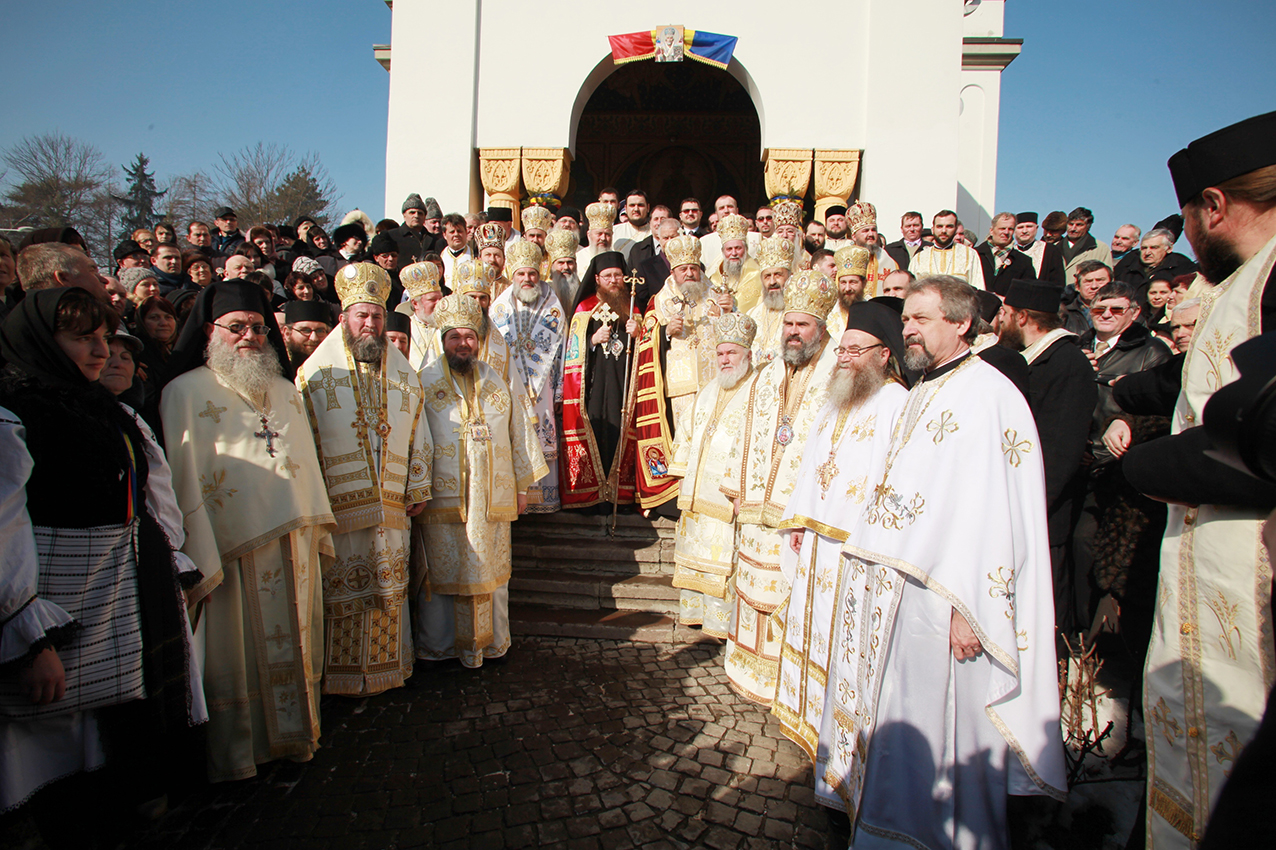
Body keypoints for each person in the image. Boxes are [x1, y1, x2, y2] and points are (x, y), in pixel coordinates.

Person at [821, 274, 1066, 847]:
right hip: (903, 590)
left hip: (949, 598)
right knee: (900, 721)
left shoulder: (989, 394)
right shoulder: (928, 385)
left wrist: (973, 607)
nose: (908, 328)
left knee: (944, 729)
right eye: (905, 319)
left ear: (961, 323)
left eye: (920, 319)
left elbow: (996, 510)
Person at [1120, 110, 1276, 848]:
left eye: (1187, 221)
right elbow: (1196, 377)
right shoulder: (1248, 282)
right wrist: (1121, 397)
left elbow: (1258, 436)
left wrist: (1145, 466)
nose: (1186, 240)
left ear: (1214, 206)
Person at [0, 288, 202, 843]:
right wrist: (27, 633)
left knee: (117, 740)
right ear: (40, 340)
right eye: (81, 339)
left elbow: (153, 500)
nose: (97, 352)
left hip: (123, 593)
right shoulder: (13, 417)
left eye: (103, 339)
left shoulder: (109, 411)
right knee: (54, 755)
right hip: (54, 602)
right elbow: (5, 529)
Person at [160, 280, 335, 781]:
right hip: (229, 550)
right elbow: (181, 480)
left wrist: (315, 523)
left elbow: (306, 463)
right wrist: (195, 558)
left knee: (297, 644)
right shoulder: (183, 393)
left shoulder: (284, 389)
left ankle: (297, 739)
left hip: (294, 544)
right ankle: (239, 755)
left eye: (258, 328)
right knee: (235, 652)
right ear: (211, 331)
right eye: (236, 327)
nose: (249, 337)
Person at [770, 302, 910, 819]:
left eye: (856, 350)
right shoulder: (835, 397)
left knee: (841, 641)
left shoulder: (896, 401)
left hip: (855, 547)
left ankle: (840, 742)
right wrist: (798, 520)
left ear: (883, 354)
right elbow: (812, 462)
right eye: (843, 349)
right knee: (810, 630)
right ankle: (808, 723)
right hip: (817, 540)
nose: (846, 358)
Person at [293, 264, 431, 695]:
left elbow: (419, 435)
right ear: (344, 320)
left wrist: (418, 485)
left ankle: (390, 669)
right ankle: (340, 678)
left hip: (392, 508)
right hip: (339, 509)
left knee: (390, 586)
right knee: (344, 592)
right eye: (361, 316)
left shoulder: (405, 377)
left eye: (375, 316)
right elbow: (303, 444)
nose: (369, 324)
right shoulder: (314, 376)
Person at [721, 268, 839, 705]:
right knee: (750, 588)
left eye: (801, 325)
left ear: (820, 329)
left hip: (797, 517)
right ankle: (747, 671)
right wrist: (734, 489)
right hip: (755, 512)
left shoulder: (836, 376)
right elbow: (743, 432)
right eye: (788, 323)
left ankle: (787, 685)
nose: (792, 332)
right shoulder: (769, 374)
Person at [413, 294, 546, 667]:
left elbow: (519, 434)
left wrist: (522, 487)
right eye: (454, 337)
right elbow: (415, 439)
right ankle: (440, 647)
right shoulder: (423, 383)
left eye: (469, 336)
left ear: (479, 340)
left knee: (490, 571)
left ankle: (490, 642)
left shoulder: (496, 382)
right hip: (442, 500)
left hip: (491, 499)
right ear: (442, 341)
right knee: (441, 573)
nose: (462, 344)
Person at [997, 279, 1097, 632]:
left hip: (1042, 514)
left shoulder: (1067, 364)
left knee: (1046, 613)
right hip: (1017, 509)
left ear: (1022, 317)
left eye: (1005, 315)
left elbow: (1059, 454)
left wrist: (1028, 509)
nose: (1000, 322)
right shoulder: (1033, 360)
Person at [668, 313, 758, 637]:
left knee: (723, 566)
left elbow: (755, 444)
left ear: (747, 354)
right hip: (695, 495)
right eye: (720, 353)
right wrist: (681, 476)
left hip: (725, 497)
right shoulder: (707, 390)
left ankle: (722, 625)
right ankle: (697, 616)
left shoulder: (757, 393)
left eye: (731, 353)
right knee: (695, 558)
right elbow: (687, 434)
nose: (725, 359)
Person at [559, 252, 645, 509]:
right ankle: (593, 496)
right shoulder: (584, 309)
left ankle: (620, 495)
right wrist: (592, 340)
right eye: (607, 276)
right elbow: (573, 353)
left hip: (623, 386)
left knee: (621, 431)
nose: (613, 280)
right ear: (597, 278)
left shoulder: (632, 308)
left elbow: (647, 350)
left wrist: (638, 334)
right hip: (594, 388)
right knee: (598, 431)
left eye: (618, 275)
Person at [490, 241, 565, 513]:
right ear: (513, 275)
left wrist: (559, 390)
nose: (527, 279)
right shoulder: (499, 307)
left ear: (539, 274)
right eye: (522, 274)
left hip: (543, 386)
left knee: (542, 431)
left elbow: (561, 351)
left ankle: (543, 498)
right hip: (511, 384)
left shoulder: (553, 304)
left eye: (532, 274)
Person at [650, 234, 734, 430]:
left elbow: (731, 332)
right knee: (684, 432)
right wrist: (666, 331)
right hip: (681, 380)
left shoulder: (715, 295)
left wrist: (729, 312)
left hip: (713, 376)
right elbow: (649, 340)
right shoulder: (662, 299)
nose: (689, 273)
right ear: (673, 272)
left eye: (693, 268)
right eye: (683, 269)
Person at [746, 235, 797, 366]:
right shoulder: (752, 314)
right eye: (767, 276)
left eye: (778, 275)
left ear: (789, 276)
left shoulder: (797, 313)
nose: (772, 282)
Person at [910, 210, 986, 289]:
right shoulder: (919, 258)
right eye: (939, 226)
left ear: (955, 229)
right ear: (933, 229)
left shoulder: (969, 254)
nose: (944, 231)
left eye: (949, 226)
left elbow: (978, 288)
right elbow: (910, 290)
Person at [842, 202, 899, 298]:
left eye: (873, 230)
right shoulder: (845, 257)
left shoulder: (888, 261)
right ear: (854, 236)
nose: (870, 234)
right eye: (865, 231)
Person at [707, 214, 762, 313]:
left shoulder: (757, 274)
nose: (734, 253)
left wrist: (732, 308)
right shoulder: (714, 277)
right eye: (729, 249)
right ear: (723, 252)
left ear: (746, 249)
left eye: (738, 248)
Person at [976, 212, 1036, 295]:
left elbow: (1028, 292)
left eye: (1010, 229)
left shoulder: (1023, 261)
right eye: (1002, 228)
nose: (1006, 232)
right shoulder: (975, 254)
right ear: (992, 231)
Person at [1011, 211, 1068, 286]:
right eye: (1020, 227)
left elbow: (1058, 283)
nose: (1024, 231)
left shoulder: (1050, 251)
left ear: (1036, 228)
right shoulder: (1009, 252)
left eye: (1029, 226)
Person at [1059, 206, 1114, 281]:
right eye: (1070, 224)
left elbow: (1107, 278)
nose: (1073, 229)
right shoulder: (1054, 247)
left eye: (1079, 225)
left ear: (1088, 226)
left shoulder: (1100, 248)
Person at [828, 245, 871, 331]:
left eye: (853, 282)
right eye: (843, 282)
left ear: (864, 283)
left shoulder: (872, 311)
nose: (847, 288)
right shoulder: (829, 313)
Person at [281, 299, 332, 370]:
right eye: (306, 330)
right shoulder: (278, 371)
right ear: (287, 333)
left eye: (320, 331)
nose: (314, 338)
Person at [546, 228, 581, 311]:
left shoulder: (582, 289)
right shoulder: (546, 291)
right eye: (561, 263)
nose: (566, 267)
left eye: (570, 263)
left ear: (575, 265)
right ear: (552, 267)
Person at [577, 202, 616, 269]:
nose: (603, 238)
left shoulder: (617, 259)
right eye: (599, 234)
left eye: (607, 234)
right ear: (589, 235)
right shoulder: (578, 258)